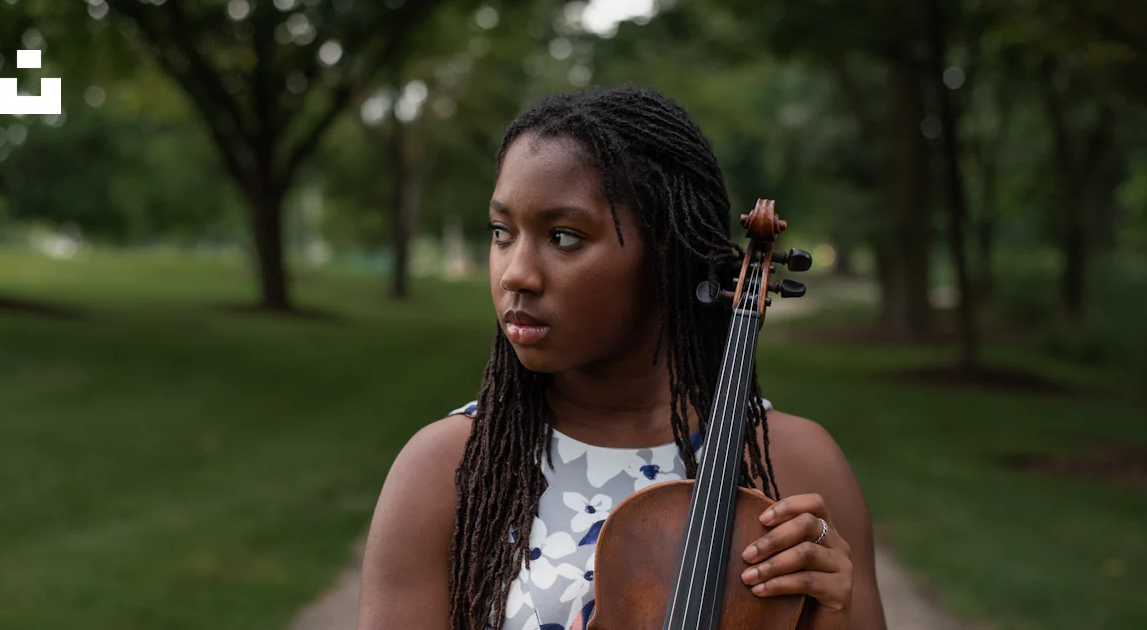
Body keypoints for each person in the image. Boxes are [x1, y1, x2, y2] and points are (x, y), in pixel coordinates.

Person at [357, 85, 885, 630]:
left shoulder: (800, 467)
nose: (515, 272)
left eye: (563, 236)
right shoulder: (444, 472)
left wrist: (831, 617)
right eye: (501, 232)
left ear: (668, 255)